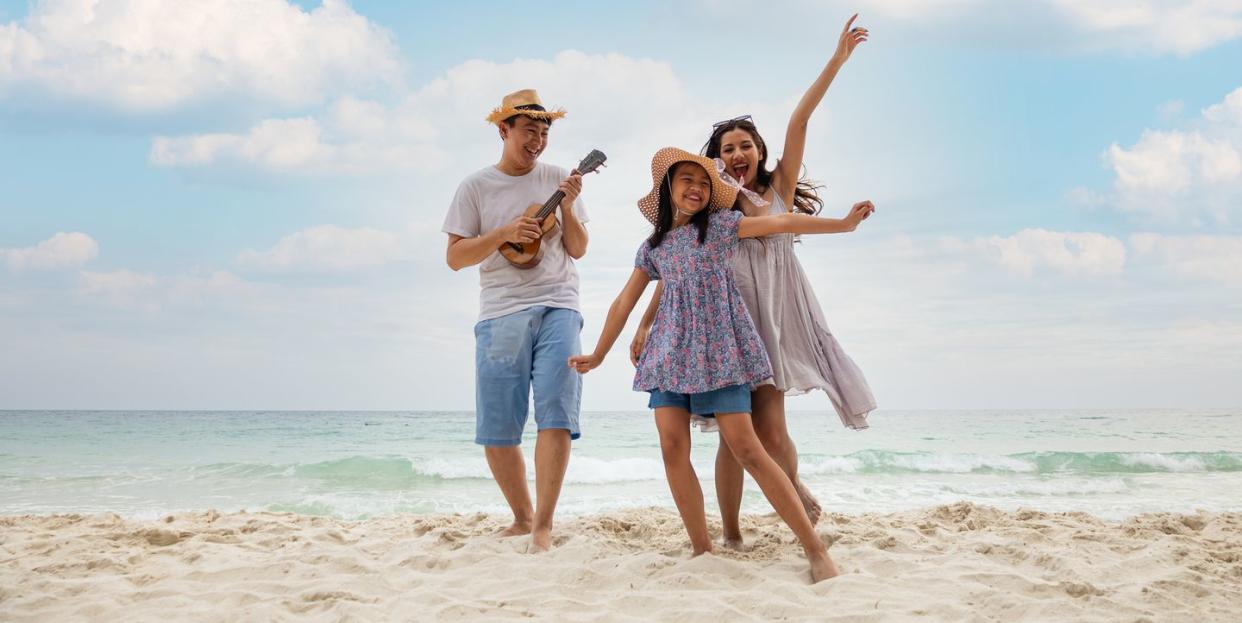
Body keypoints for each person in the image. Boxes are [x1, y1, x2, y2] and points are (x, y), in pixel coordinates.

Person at [569, 147, 875, 582]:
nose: (694, 187)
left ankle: (816, 550)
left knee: (748, 449)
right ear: (668, 190)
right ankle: (702, 550)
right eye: (685, 179)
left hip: (722, 353)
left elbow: (783, 222)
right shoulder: (653, 247)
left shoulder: (721, 228)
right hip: (669, 355)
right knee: (673, 449)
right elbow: (624, 300)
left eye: (703, 181)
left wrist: (843, 225)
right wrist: (599, 353)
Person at [630, 15, 876, 548]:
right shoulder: (711, 216)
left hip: (780, 313)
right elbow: (674, 273)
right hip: (727, 323)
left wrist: (837, 59)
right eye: (727, 150)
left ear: (759, 152)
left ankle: (795, 503)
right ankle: (736, 531)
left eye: (746, 145)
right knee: (733, 436)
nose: (737, 154)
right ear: (716, 162)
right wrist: (646, 324)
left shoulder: (779, 193)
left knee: (770, 430)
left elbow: (801, 119)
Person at [442, 89, 588, 552]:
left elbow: (579, 248)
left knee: (556, 414)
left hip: (559, 303)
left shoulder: (560, 178)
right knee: (498, 426)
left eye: (544, 133)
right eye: (530, 132)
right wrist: (504, 233)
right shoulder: (475, 187)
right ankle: (522, 518)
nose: (538, 141)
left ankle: (544, 525)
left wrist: (565, 206)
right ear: (503, 130)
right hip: (500, 310)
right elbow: (455, 257)